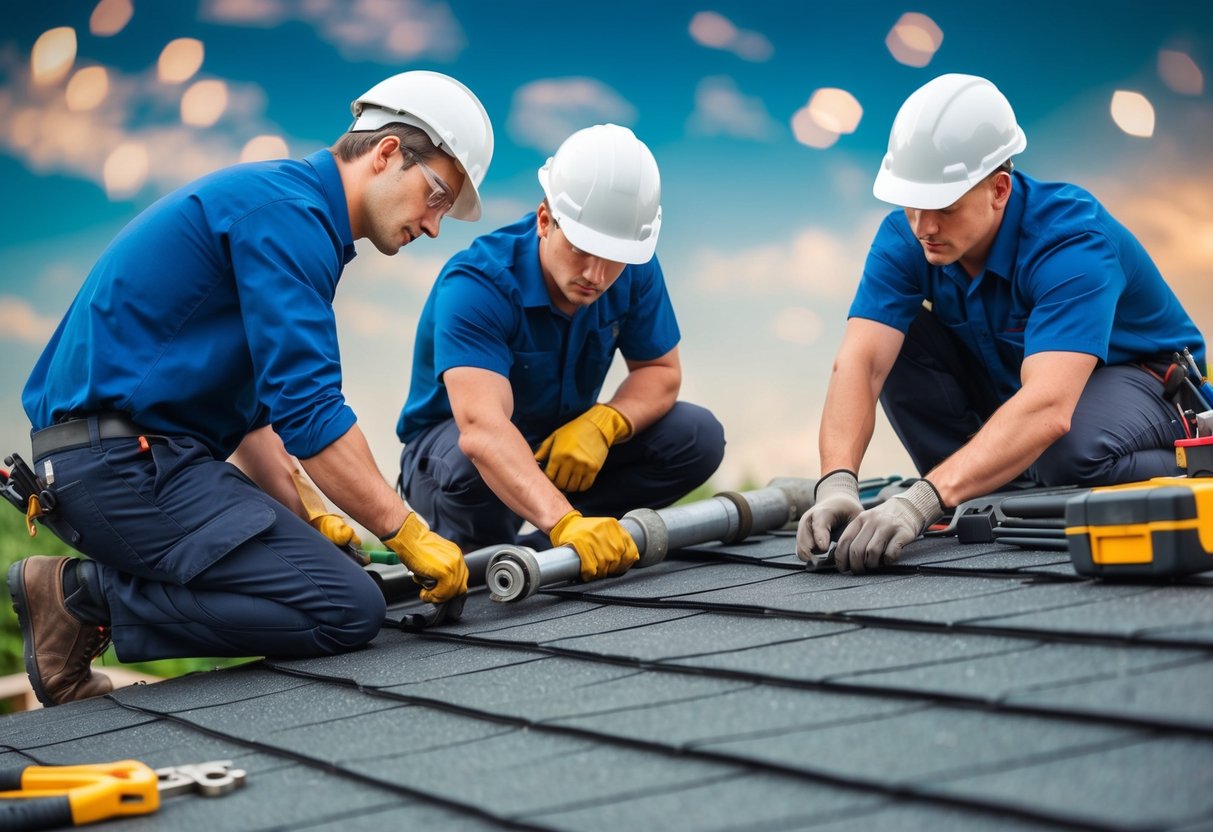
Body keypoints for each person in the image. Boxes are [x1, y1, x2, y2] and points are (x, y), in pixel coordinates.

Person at [6, 70, 493, 706]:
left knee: (335, 578)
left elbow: (261, 422)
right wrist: (406, 529)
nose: (434, 226)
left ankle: (86, 604)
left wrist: (311, 512)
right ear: (387, 153)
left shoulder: (286, 210)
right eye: (436, 197)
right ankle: (79, 598)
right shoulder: (289, 219)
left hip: (131, 462)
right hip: (120, 466)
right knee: (347, 610)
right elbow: (311, 410)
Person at [797, 73, 1206, 574]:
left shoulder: (1072, 242)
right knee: (894, 340)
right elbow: (859, 364)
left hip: (1144, 387)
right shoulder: (909, 237)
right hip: (1023, 395)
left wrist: (919, 503)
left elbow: (1049, 407)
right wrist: (837, 483)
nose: (924, 227)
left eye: (945, 208)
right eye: (912, 203)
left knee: (1066, 449)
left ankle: (1196, 458)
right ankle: (978, 483)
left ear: (999, 189)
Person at [397, 124, 725, 583]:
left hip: (561, 446)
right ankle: (486, 545)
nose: (596, 273)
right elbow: (483, 429)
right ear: (545, 221)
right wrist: (563, 521)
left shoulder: (634, 266)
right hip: (453, 458)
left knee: (696, 435)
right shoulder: (476, 285)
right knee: (468, 464)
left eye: (614, 256)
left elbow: (660, 371)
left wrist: (605, 423)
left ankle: (550, 545)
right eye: (581, 250)